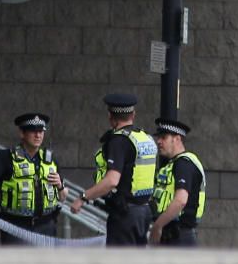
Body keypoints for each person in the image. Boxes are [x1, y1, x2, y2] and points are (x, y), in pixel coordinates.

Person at [70, 93, 157, 245]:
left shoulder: (119, 140)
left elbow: (111, 181)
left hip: (125, 214)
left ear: (110, 116)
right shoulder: (145, 137)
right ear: (133, 114)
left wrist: (83, 197)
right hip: (144, 211)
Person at [0, 112, 66, 244]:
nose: (38, 135)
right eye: (33, 131)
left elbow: (63, 196)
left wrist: (60, 186)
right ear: (22, 133)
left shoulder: (50, 159)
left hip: (46, 226)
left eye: (41, 131)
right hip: (16, 227)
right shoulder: (7, 157)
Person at [149, 118, 206, 246]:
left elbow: (181, 200)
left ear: (177, 139)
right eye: (158, 137)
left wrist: (158, 226)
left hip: (178, 236)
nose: (159, 141)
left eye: (164, 137)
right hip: (174, 234)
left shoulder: (183, 164)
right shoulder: (176, 163)